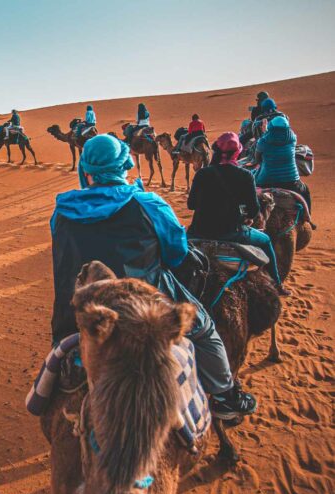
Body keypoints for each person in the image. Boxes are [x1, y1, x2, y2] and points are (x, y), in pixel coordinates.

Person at [50, 134, 257, 419]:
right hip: (145, 309)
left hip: (77, 310)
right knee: (205, 330)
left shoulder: (62, 212)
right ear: (125, 165)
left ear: (85, 170)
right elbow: (177, 254)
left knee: (63, 346)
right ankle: (225, 397)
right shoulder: (148, 204)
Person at [187, 132, 288, 295]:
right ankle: (277, 284)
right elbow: (254, 210)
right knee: (266, 241)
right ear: (237, 153)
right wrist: (245, 217)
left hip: (198, 231)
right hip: (232, 233)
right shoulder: (245, 176)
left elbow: (191, 204)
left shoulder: (202, 174)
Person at [251, 116, 311, 211]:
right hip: (291, 181)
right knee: (305, 190)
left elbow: (257, 159)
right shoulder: (292, 139)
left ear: (271, 127)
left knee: (251, 191)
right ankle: (307, 217)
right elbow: (279, 139)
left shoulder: (263, 141)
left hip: (266, 181)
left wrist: (264, 133)